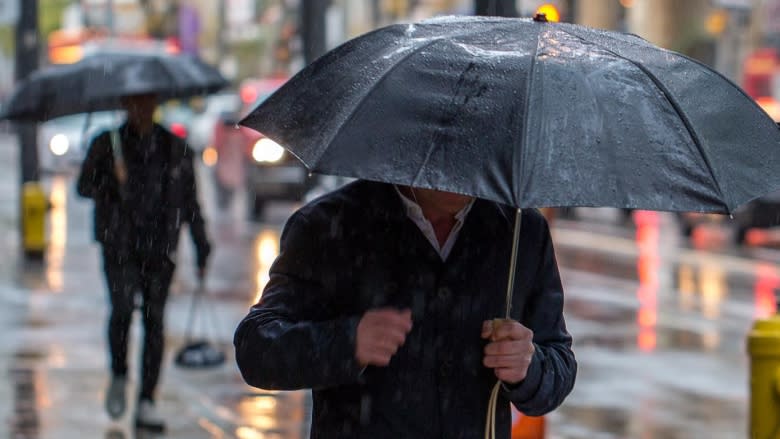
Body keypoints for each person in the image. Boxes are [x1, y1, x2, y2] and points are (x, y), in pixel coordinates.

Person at [233, 179, 576, 438]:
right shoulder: (329, 225)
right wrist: (346, 341)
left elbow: (558, 365)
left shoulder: (521, 233)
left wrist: (528, 368)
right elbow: (256, 348)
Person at [77, 93, 211, 431]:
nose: (142, 110)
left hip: (160, 248)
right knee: (122, 310)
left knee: (155, 322)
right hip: (119, 245)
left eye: (148, 103)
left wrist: (201, 243)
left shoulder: (174, 147)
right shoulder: (107, 143)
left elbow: (190, 200)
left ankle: (147, 399)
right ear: (125, 105)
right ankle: (120, 374)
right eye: (136, 103)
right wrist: (109, 176)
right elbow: (83, 187)